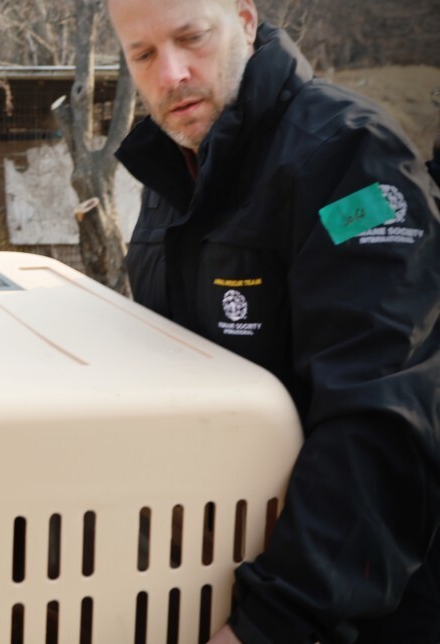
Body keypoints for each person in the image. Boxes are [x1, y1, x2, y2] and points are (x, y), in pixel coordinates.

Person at [105, 1, 440, 642]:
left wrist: (272, 622)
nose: (171, 73)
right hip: (206, 575)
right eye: (142, 54)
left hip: (342, 612)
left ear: (246, 20)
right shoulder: (171, 169)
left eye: (191, 38)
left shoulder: (349, 163)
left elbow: (380, 421)